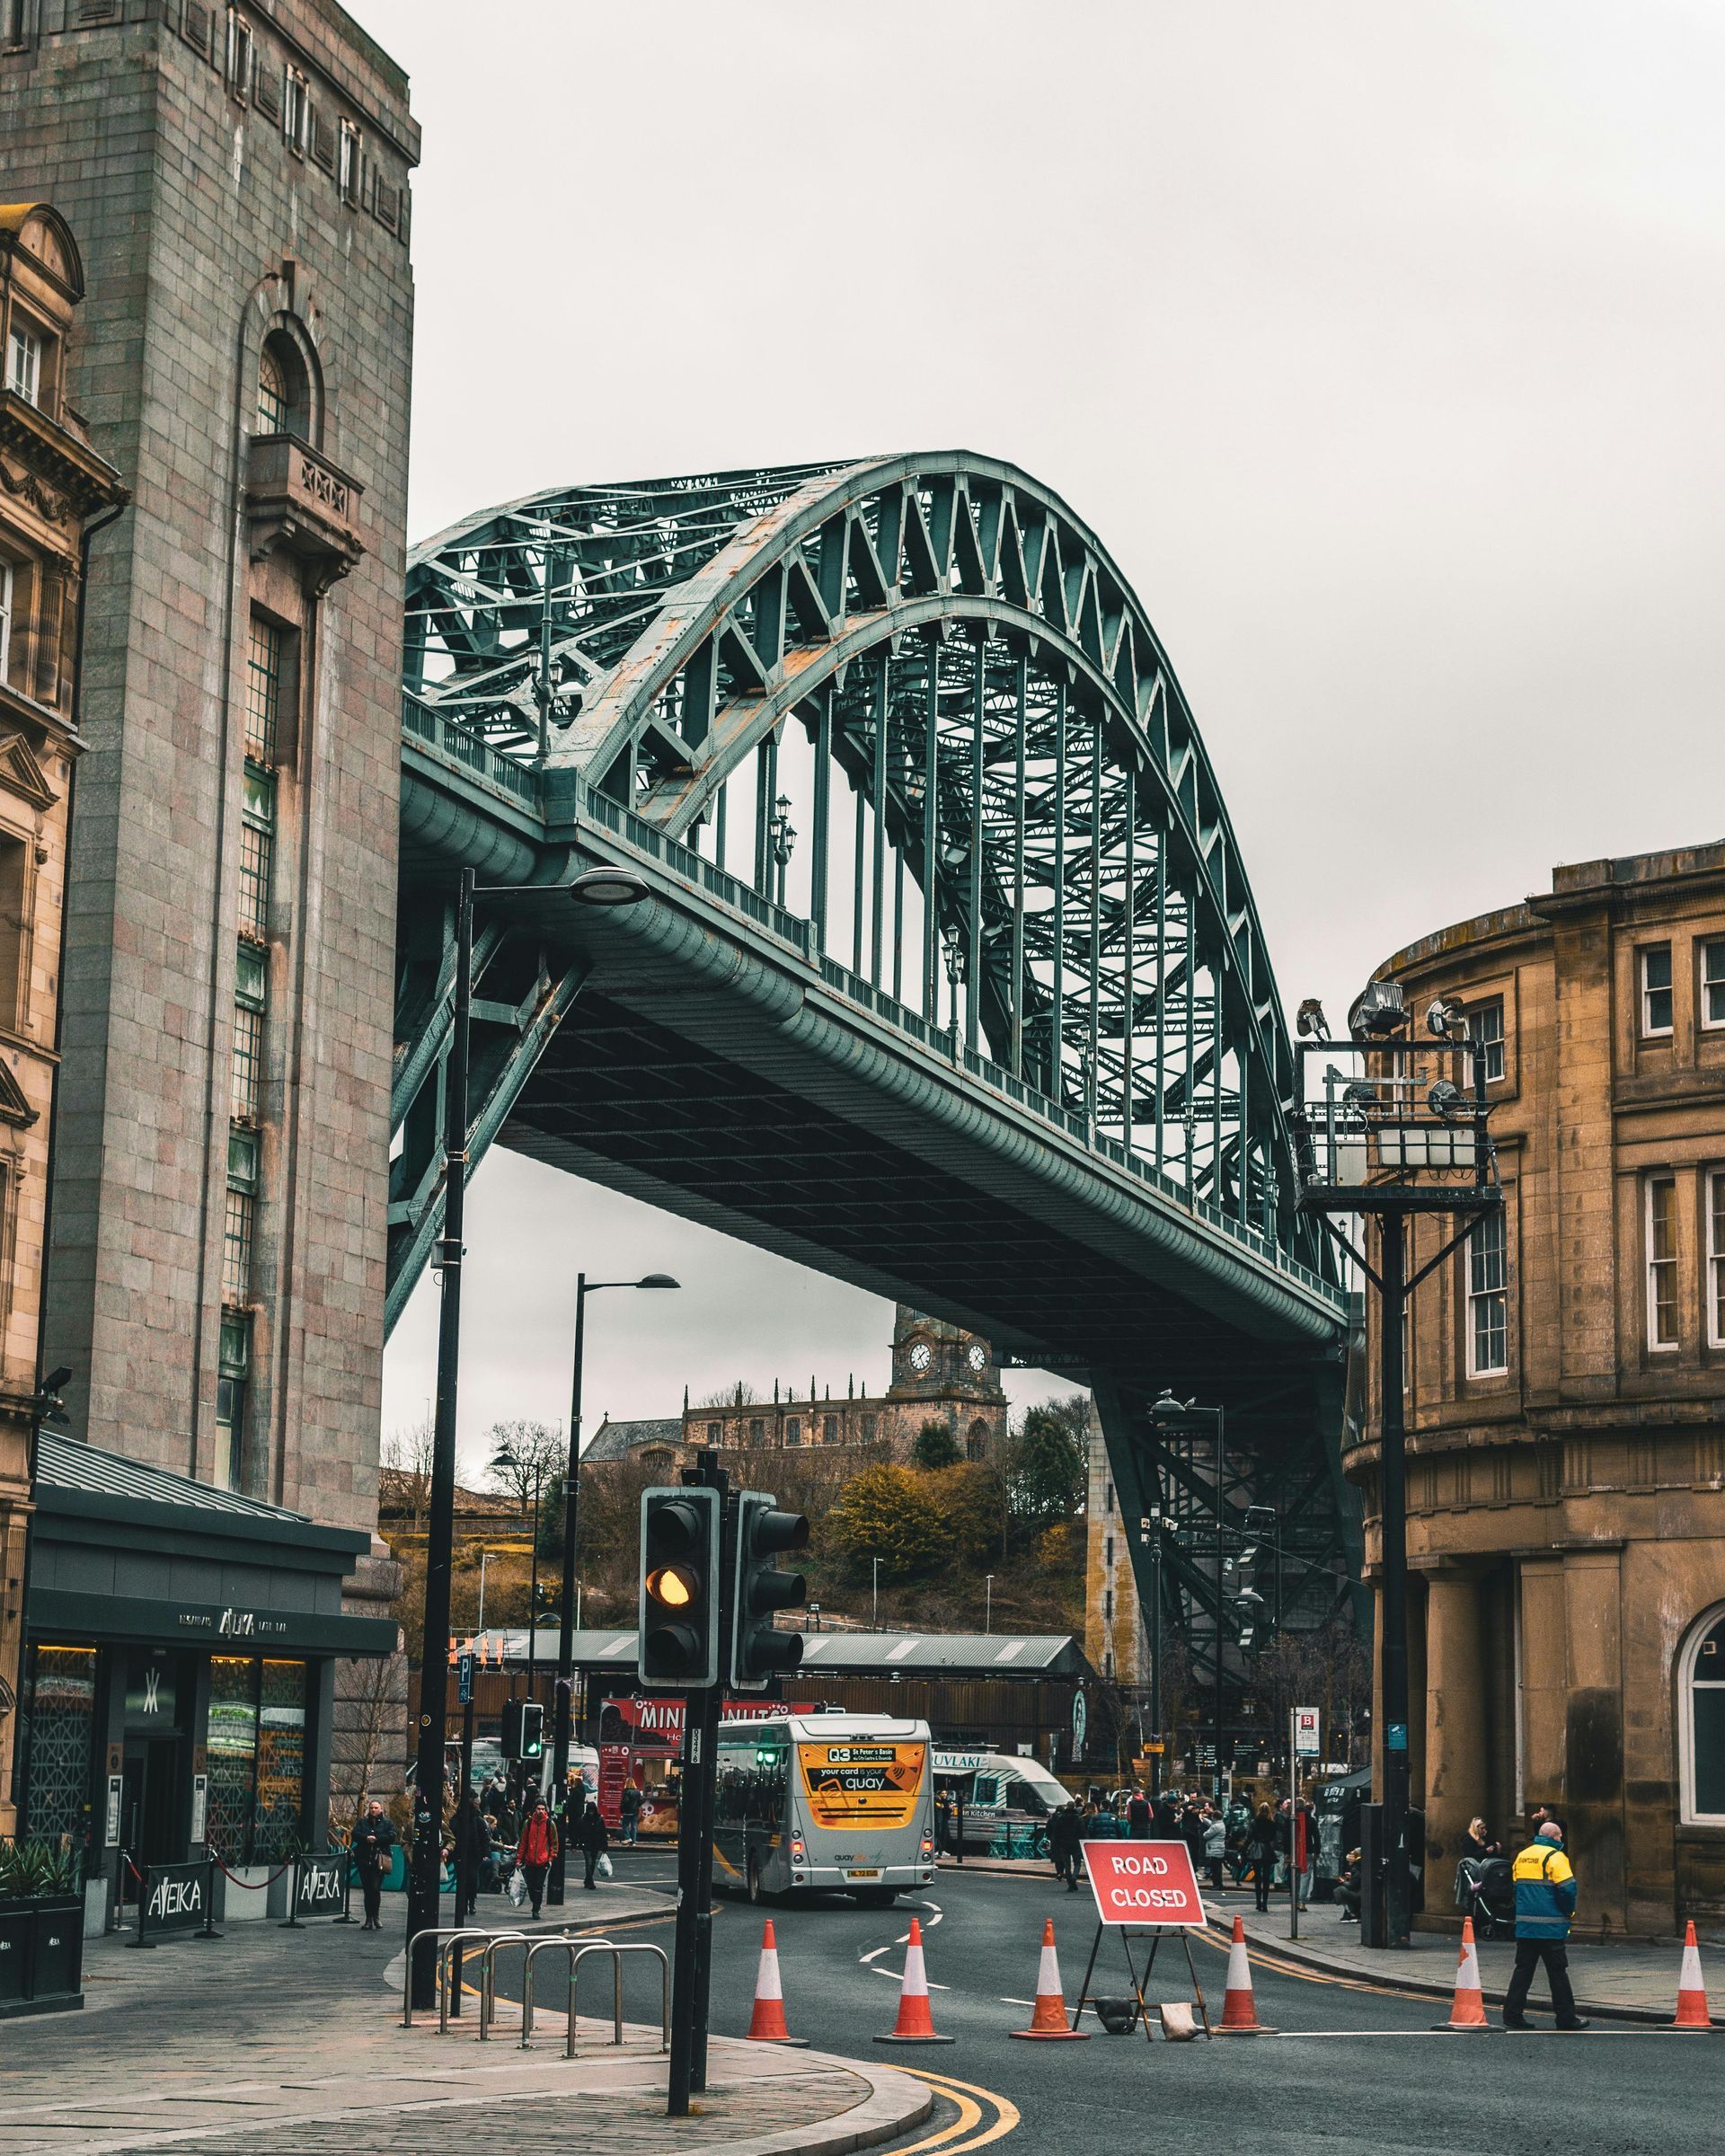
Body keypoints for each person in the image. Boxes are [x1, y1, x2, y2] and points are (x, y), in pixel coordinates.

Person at [1503, 1820, 1588, 2031]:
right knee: (1558, 1973)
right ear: (1552, 1837)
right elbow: (1568, 1889)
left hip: (1525, 1926)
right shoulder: (1556, 1857)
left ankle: (1512, 2015)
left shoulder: (1523, 1855)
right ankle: (1566, 2018)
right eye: (1559, 1837)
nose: (1561, 1840)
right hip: (1550, 1927)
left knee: (1523, 1970)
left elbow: (1515, 1887)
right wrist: (1568, 1912)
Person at [352, 1798, 396, 1931]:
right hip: (365, 1859)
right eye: (371, 1808)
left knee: (375, 1888)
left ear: (381, 1809)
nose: (373, 1810)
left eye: (376, 1808)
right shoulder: (362, 1822)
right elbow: (355, 1834)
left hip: (379, 1860)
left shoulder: (387, 1823)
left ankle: (376, 1916)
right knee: (367, 1890)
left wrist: (377, 1839)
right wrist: (366, 1838)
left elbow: (392, 1836)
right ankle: (368, 1918)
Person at [516, 1795, 559, 1919]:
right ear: (535, 1809)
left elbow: (554, 1843)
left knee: (538, 1887)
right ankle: (535, 1902)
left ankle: (536, 1909)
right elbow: (523, 1842)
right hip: (529, 1861)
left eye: (543, 1809)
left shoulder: (550, 1824)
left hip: (543, 1861)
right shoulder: (528, 1823)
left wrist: (551, 1858)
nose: (541, 1811)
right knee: (530, 1886)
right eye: (539, 1808)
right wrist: (519, 1859)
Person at [452, 1789, 489, 1918]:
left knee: (472, 1879)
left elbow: (485, 1838)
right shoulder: (458, 1819)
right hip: (461, 1854)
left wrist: (484, 1852)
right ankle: (463, 1903)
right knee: (462, 1880)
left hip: (474, 1855)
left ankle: (471, 1902)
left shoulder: (478, 1820)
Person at [1247, 1802, 1278, 1913]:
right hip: (1267, 1850)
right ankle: (1265, 1904)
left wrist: (1243, 1849)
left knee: (1258, 1878)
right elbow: (1273, 1837)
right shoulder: (1271, 1823)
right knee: (1266, 1879)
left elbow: (1249, 1837)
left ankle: (1258, 1903)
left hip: (1256, 1850)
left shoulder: (1254, 1822)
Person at [1049, 1801, 1084, 1891]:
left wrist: (1057, 1842)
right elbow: (1082, 1831)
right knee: (1077, 1863)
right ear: (1074, 1807)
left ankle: (1070, 1881)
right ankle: (1074, 1877)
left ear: (1067, 1807)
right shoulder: (1078, 1818)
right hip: (1075, 1843)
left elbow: (1056, 1832)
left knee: (1066, 1864)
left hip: (1064, 1843)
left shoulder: (1061, 1818)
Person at [578, 1798, 610, 1890]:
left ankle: (588, 1880)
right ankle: (590, 1881)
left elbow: (603, 1833)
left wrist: (604, 1845)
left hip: (595, 1844)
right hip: (587, 1844)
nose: (591, 1813)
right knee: (589, 1862)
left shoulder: (599, 1820)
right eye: (589, 1811)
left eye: (592, 1811)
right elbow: (579, 1833)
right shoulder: (583, 1819)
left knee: (592, 1863)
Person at [1203, 1807, 1227, 1891]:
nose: (1211, 1817)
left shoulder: (1216, 1826)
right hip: (1219, 1849)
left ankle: (1217, 1885)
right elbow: (1211, 1824)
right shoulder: (1220, 1824)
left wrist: (1204, 1833)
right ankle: (1218, 1884)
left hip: (1215, 1850)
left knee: (1215, 1869)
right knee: (1217, 1868)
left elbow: (1206, 1835)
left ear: (1215, 1817)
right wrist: (1204, 1819)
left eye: (1212, 1816)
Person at [619, 1780, 641, 1848]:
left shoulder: (626, 1792)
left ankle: (627, 1837)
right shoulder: (637, 1791)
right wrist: (637, 1806)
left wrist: (622, 1810)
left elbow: (624, 1802)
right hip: (635, 1811)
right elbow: (641, 1800)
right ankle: (633, 1842)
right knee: (634, 1826)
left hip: (627, 1811)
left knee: (625, 1824)